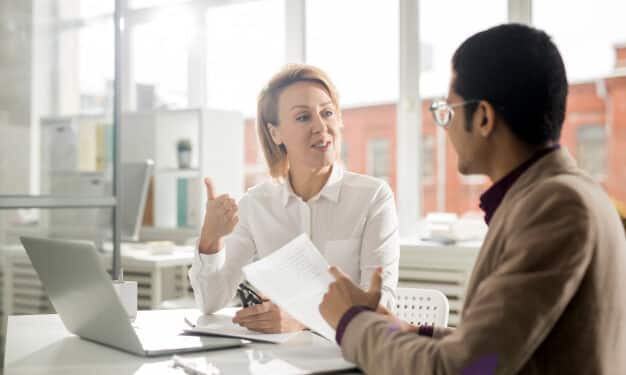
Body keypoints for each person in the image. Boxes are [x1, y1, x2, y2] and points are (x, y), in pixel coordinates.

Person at [319, 23, 626, 374]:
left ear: (482, 117)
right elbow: (493, 346)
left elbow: (465, 368)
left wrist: (351, 322)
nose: (445, 126)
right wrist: (393, 328)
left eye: (448, 111)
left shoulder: (557, 206)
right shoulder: (559, 194)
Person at [188, 64, 400, 333]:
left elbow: (381, 306)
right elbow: (210, 302)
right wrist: (210, 239)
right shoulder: (256, 205)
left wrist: (302, 322)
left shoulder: (373, 197)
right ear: (275, 133)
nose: (321, 126)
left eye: (327, 113)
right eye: (303, 117)